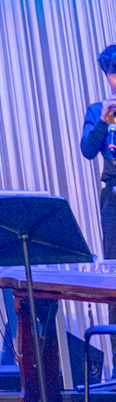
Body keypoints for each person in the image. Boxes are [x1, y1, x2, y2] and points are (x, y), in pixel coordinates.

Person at [78, 43, 116, 263]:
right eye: (113, 73)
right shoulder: (96, 110)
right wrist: (103, 120)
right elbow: (88, 150)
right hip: (113, 195)